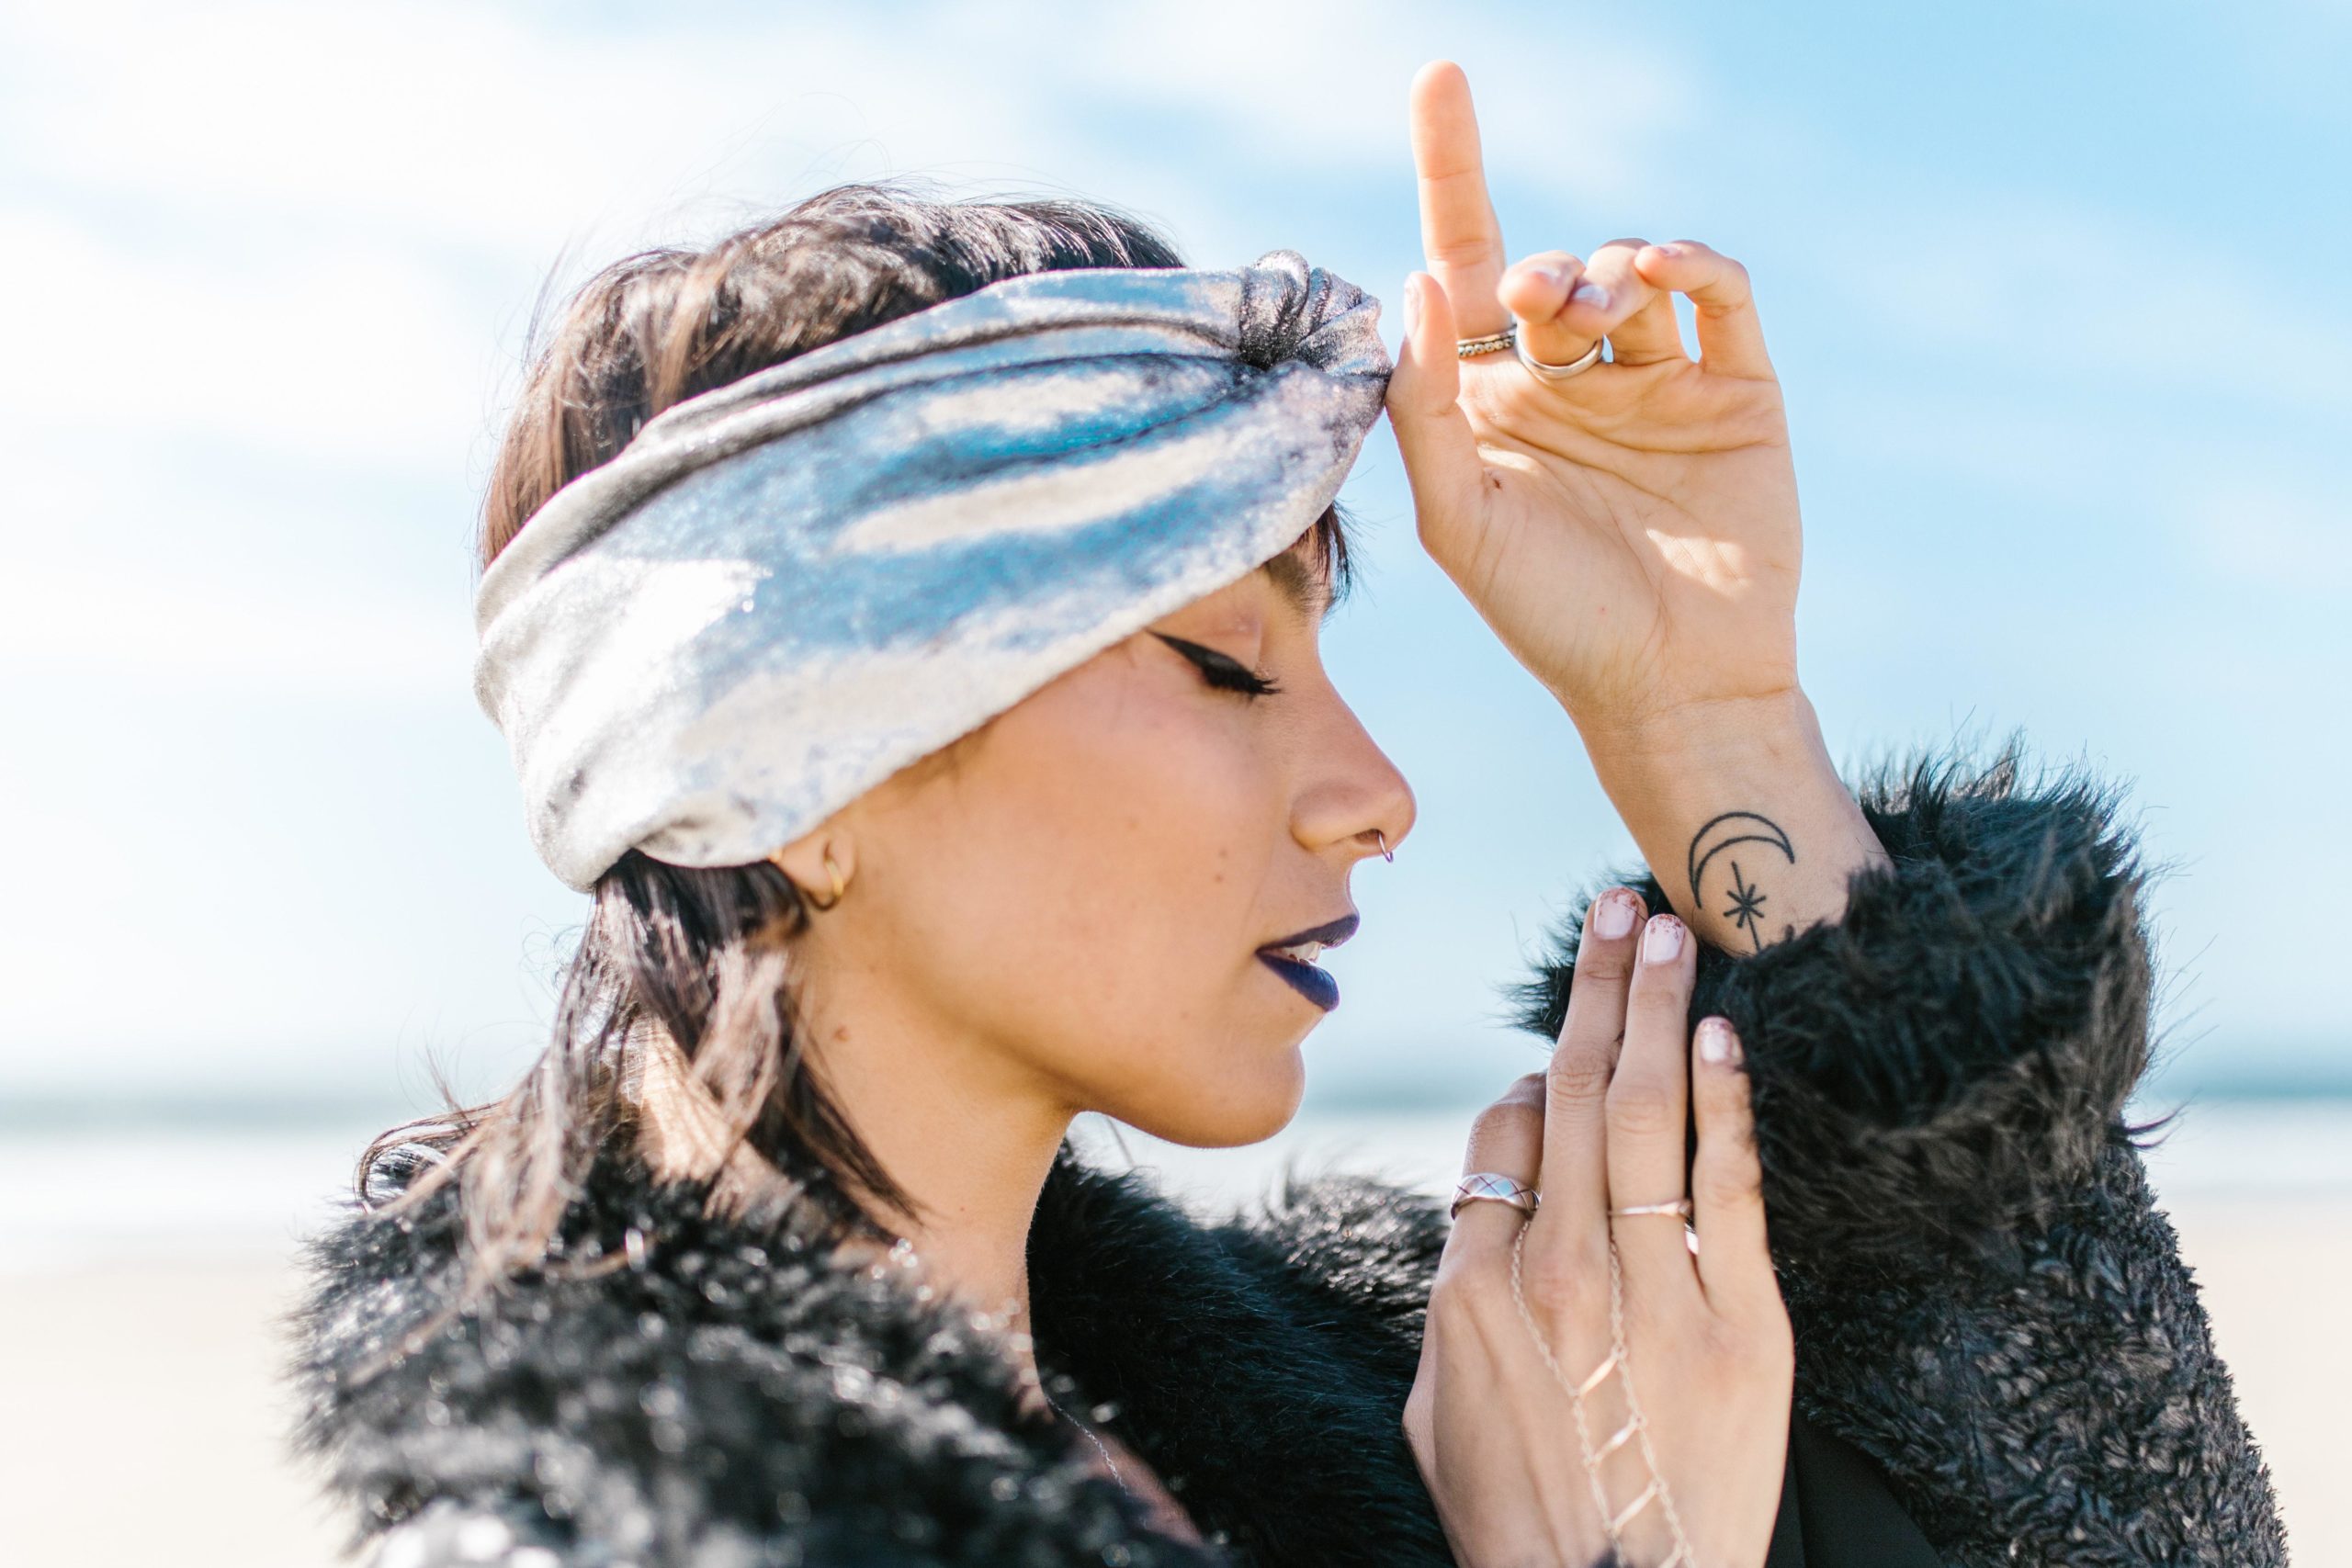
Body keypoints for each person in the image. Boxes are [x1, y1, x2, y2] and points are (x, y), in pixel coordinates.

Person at [287, 62, 2282, 1568]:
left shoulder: (1403, 1368)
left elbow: (2124, 1518)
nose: (1377, 793)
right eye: (1224, 665)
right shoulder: (592, 1531)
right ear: (788, 765)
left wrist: (1707, 709)